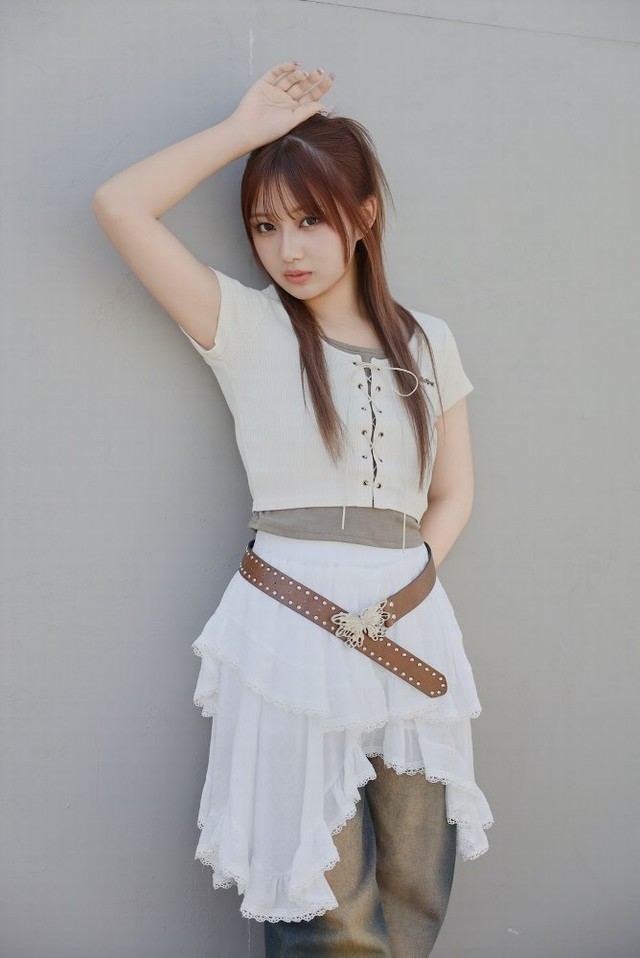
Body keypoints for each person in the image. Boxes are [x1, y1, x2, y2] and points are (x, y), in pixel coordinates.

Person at [93, 60, 493, 958]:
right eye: (266, 226)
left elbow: (453, 493)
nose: (288, 248)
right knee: (325, 903)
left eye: (311, 218)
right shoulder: (246, 327)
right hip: (291, 627)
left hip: (408, 626)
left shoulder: (429, 342)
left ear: (364, 215)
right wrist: (244, 132)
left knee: (415, 885)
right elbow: (120, 205)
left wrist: (404, 594)